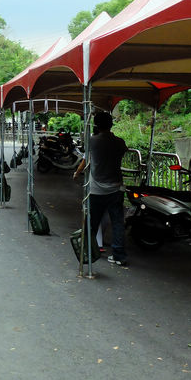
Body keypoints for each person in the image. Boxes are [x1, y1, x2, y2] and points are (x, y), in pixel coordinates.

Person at [73, 111, 128, 266]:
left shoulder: (92, 141)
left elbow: (85, 158)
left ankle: (89, 251)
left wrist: (77, 173)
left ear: (96, 125)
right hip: (116, 188)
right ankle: (119, 256)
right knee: (117, 223)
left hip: (96, 189)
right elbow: (125, 150)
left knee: (92, 222)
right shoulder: (119, 142)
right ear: (111, 124)